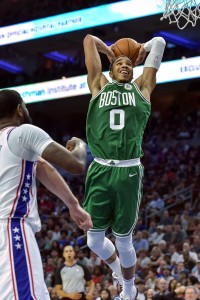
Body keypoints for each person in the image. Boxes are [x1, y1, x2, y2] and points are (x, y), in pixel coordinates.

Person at [83, 34, 166, 300]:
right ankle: (120, 274)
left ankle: (129, 291)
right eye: (119, 63)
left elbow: (160, 42)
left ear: (134, 70)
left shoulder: (142, 87)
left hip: (128, 170)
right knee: (93, 241)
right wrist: (110, 52)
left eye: (128, 64)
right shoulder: (98, 84)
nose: (124, 65)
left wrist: (140, 50)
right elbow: (88, 40)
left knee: (123, 240)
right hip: (99, 168)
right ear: (110, 68)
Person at [0, 89, 93, 300]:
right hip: (10, 228)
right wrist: (80, 145)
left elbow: (43, 168)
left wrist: (73, 204)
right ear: (19, 110)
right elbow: (76, 164)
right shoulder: (23, 132)